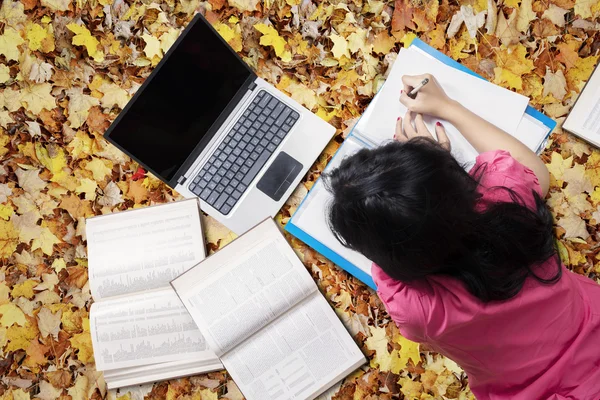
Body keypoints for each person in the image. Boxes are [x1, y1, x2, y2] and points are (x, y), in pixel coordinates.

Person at [324, 74, 600, 399]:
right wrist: (446, 110)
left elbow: (391, 255)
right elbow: (536, 173)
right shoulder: (508, 201)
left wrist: (409, 203)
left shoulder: (414, 309)